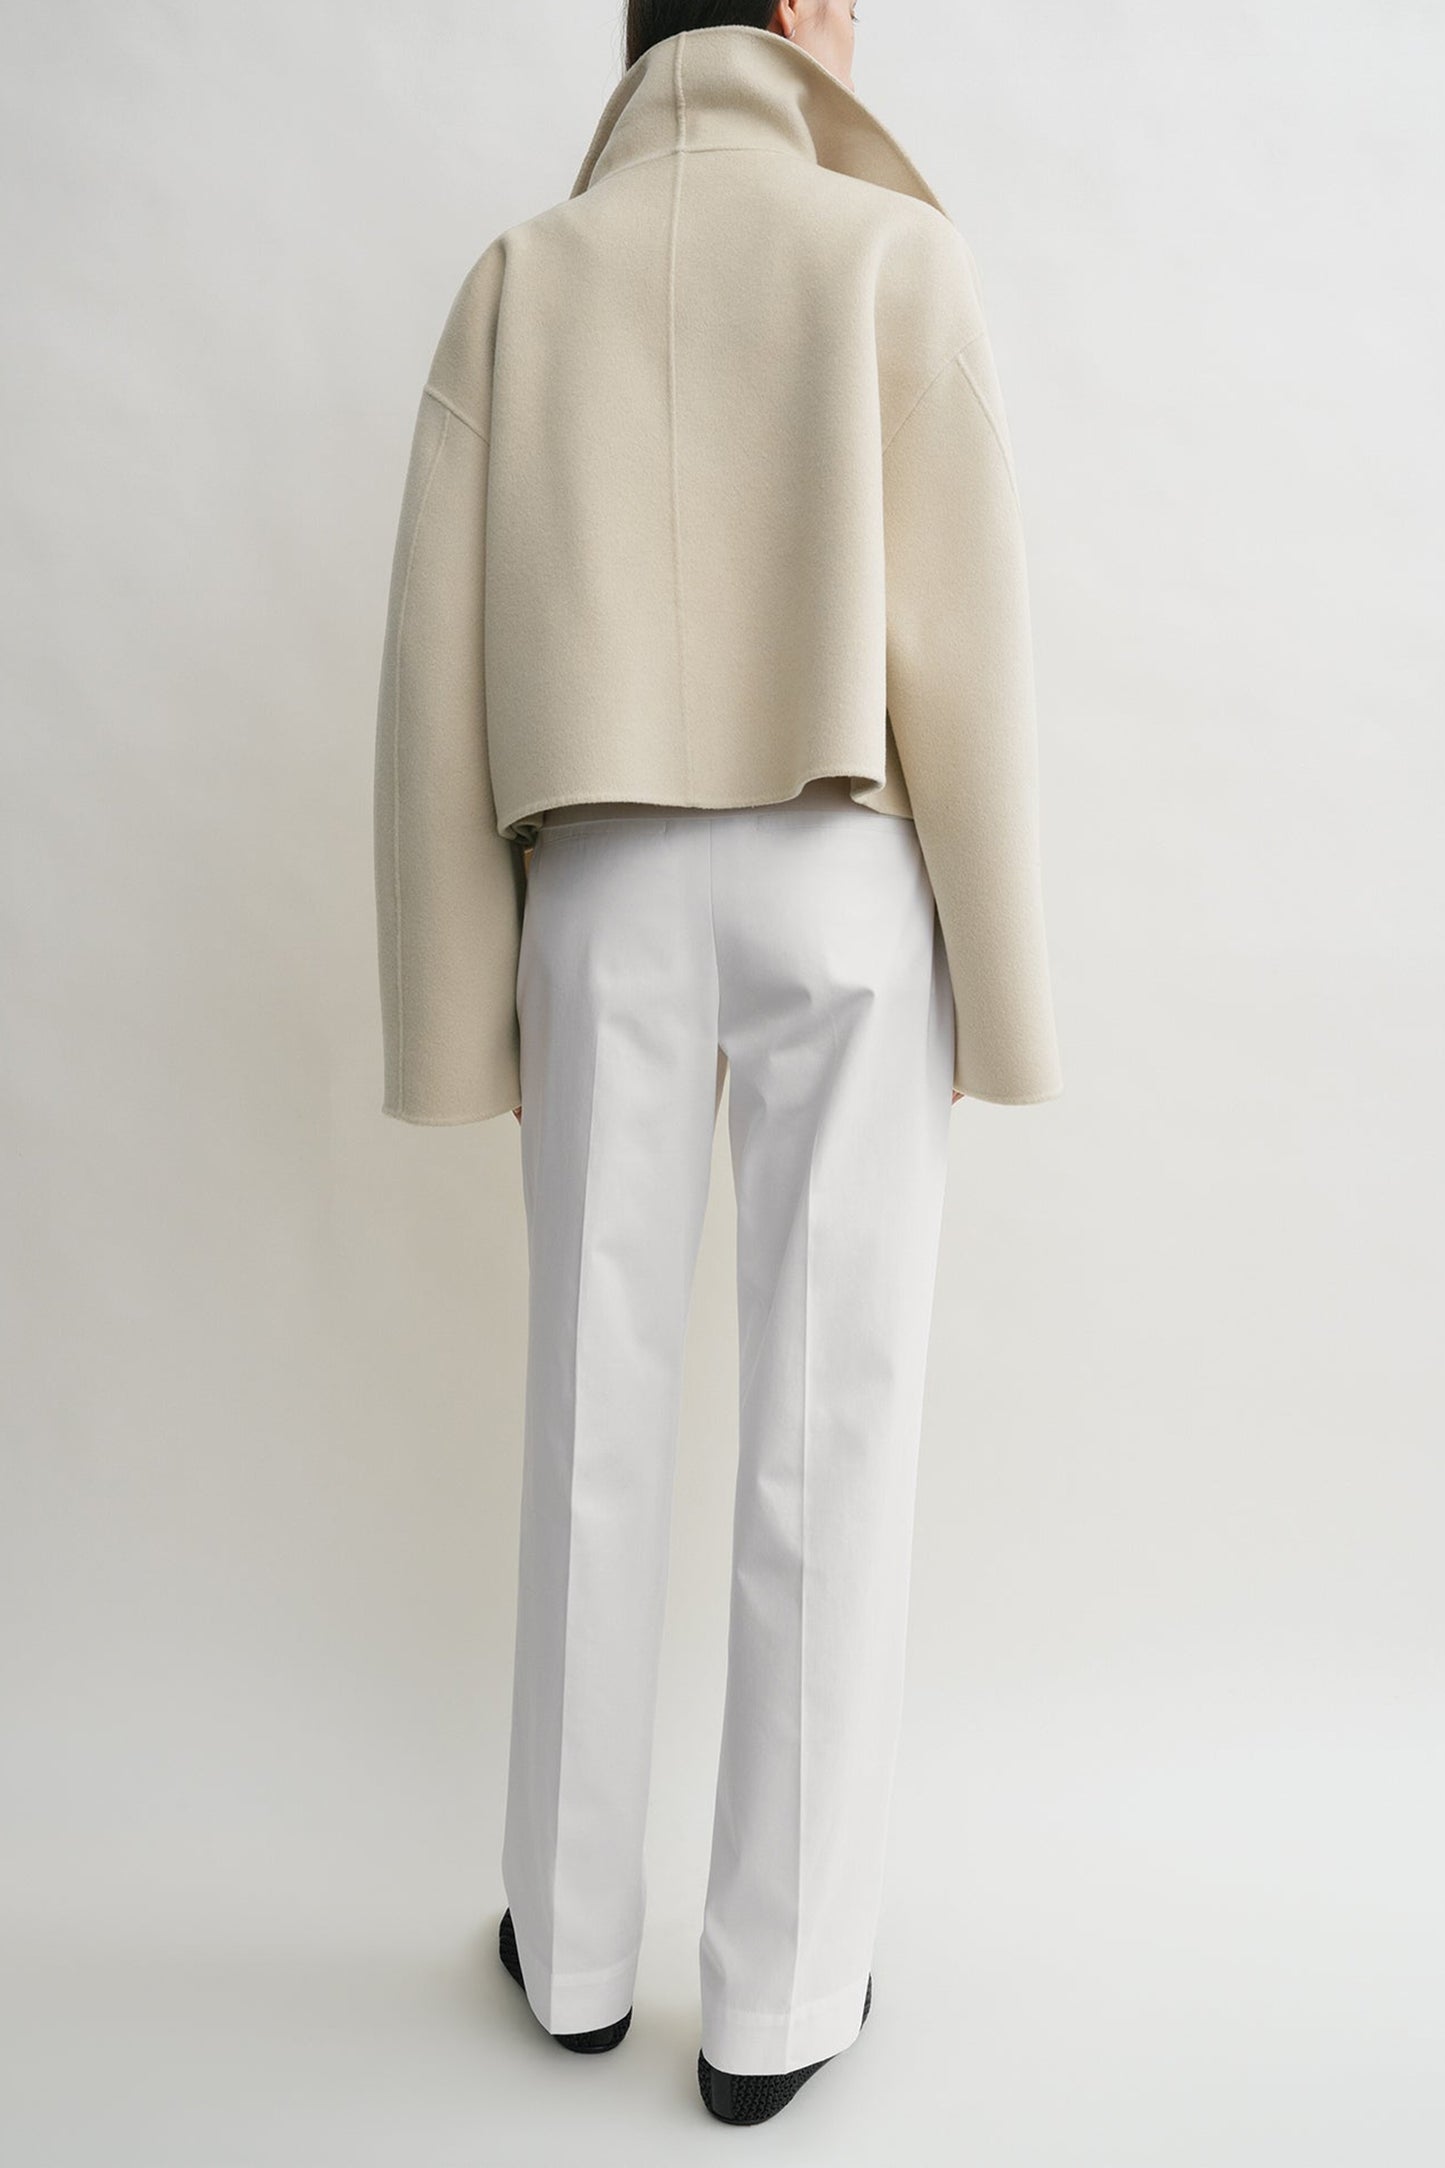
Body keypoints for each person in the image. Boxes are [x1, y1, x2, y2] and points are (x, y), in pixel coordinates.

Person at [372, 0, 1063, 2127]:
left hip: (595, 882)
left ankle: (571, 1950)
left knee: (592, 1410)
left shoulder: (522, 277)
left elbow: (432, 677)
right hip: (843, 872)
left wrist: (450, 1004)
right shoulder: (890, 253)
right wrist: (1005, 987)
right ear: (784, 18)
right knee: (829, 1429)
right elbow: (969, 650)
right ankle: (780, 1996)